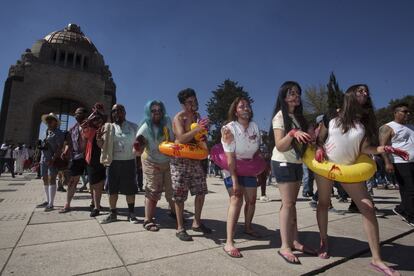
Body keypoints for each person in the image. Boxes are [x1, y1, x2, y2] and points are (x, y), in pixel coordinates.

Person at [314, 84, 407, 275]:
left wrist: (383, 149)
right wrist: (319, 148)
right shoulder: (332, 115)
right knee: (323, 203)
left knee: (368, 207)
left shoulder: (363, 122)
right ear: (350, 94)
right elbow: (319, 139)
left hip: (349, 170)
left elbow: (365, 149)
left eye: (366, 92)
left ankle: (377, 259)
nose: (365, 93)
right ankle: (324, 241)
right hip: (326, 167)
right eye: (360, 91)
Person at [270, 81, 315, 264]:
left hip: (296, 162)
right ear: (284, 97)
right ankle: (285, 246)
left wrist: (312, 136)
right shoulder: (280, 116)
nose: (296, 96)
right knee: (287, 204)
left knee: (292, 204)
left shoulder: (298, 117)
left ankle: (295, 241)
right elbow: (280, 145)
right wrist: (292, 134)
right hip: (282, 162)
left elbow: (305, 142)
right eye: (292, 93)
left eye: (297, 93)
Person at [221, 97, 261, 258]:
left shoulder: (255, 126)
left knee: (251, 200)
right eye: (241, 106)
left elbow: (256, 149)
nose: (245, 108)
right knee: (236, 199)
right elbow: (230, 157)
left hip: (249, 166)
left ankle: (248, 227)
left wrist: (258, 167)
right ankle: (229, 242)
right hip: (232, 166)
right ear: (235, 111)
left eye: (247, 105)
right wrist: (235, 181)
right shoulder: (229, 128)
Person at [171, 88, 211, 241]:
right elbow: (181, 138)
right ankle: (180, 228)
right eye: (189, 102)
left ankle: (196, 222)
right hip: (180, 160)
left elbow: (200, 137)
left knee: (201, 191)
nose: (193, 104)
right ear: (182, 104)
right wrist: (197, 130)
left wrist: (204, 131)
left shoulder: (198, 117)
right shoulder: (179, 117)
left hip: (195, 159)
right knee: (180, 195)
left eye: (194, 100)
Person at [134, 100, 175, 231]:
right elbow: (136, 151)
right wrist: (138, 145)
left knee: (172, 189)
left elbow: (173, 139)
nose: (157, 113)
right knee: (153, 189)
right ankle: (148, 220)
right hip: (151, 161)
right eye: (153, 110)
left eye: (159, 110)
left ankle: (175, 213)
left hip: (167, 160)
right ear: (148, 112)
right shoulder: (145, 128)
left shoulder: (168, 121)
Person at [99, 104, 139, 224]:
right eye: (114, 111)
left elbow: (140, 143)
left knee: (130, 190)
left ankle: (131, 214)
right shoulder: (108, 128)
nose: (117, 113)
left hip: (129, 162)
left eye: (119, 110)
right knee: (112, 190)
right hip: (113, 162)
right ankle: (113, 214)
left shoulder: (133, 127)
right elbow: (102, 146)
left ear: (125, 112)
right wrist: (99, 140)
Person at [379, 102, 414, 227]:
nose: (408, 114)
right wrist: (388, 162)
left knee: (409, 189)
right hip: (400, 163)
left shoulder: (411, 126)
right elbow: (383, 147)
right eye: (404, 111)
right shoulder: (388, 127)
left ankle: (401, 209)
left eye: (409, 112)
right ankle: (410, 216)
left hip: (412, 162)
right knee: (409, 190)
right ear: (395, 113)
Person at [59, 108, 88, 213]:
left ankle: (95, 204)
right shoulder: (72, 129)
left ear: (85, 114)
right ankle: (67, 204)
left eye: (79, 113)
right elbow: (68, 143)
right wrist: (66, 150)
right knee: (73, 181)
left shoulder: (90, 126)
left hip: (89, 156)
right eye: (75, 114)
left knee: (94, 182)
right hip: (77, 157)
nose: (77, 115)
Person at [81, 103, 107, 217]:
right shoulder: (90, 127)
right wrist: (89, 123)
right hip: (92, 158)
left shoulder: (106, 126)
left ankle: (96, 206)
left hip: (103, 158)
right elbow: (85, 134)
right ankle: (95, 203)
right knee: (93, 183)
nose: (97, 120)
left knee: (99, 184)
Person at [37, 113, 65, 211]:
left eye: (51, 120)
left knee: (51, 179)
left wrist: (53, 159)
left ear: (56, 122)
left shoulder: (58, 133)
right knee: (44, 179)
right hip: (43, 159)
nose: (49, 121)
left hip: (52, 160)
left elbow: (60, 147)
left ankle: (51, 204)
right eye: (48, 120)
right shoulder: (46, 131)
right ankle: (47, 200)